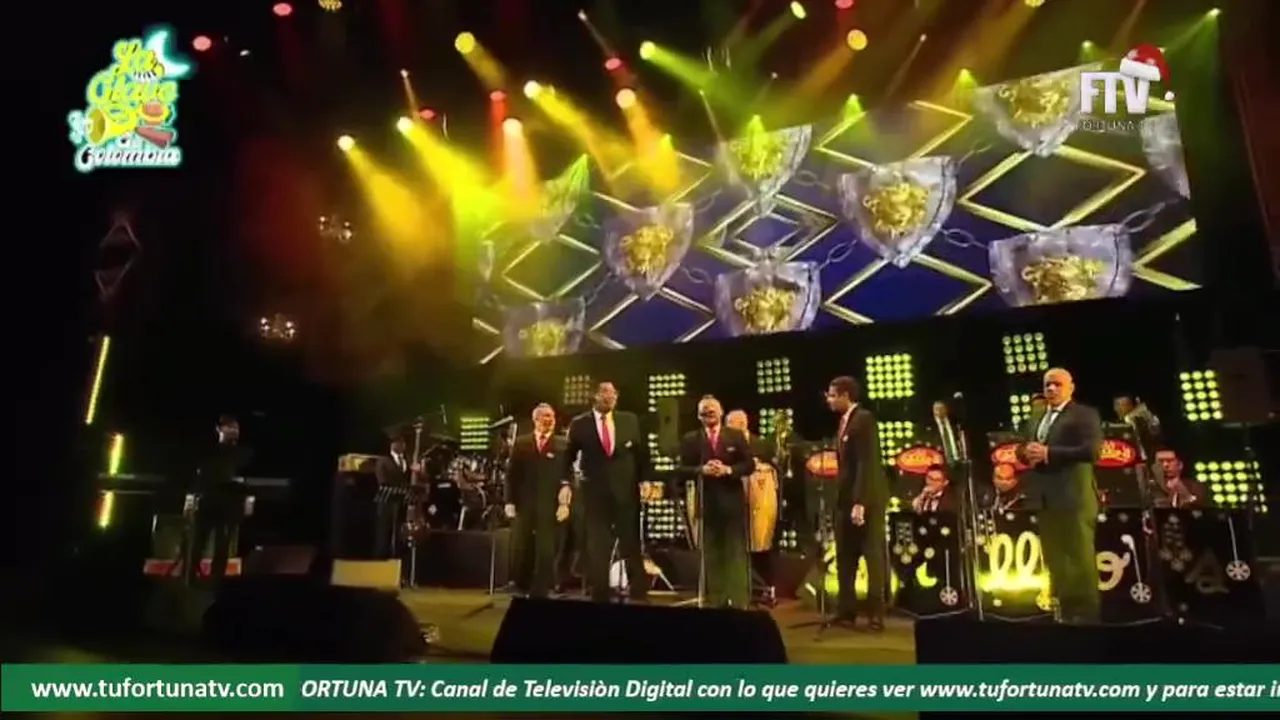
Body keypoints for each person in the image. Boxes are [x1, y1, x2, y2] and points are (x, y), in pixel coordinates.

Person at [1017, 368, 1102, 624]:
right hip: (1045, 498)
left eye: (1057, 384)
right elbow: (1024, 445)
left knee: (1079, 559)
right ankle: (1064, 613)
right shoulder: (1038, 416)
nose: (1051, 389)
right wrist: (1025, 453)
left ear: (1070, 387)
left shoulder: (1084, 414)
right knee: (1056, 559)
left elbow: (1092, 451)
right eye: (1047, 385)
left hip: (1074, 497)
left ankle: (1085, 617)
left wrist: (1050, 453)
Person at [565, 382, 647, 603]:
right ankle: (599, 591)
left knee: (630, 540)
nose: (610, 396)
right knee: (598, 544)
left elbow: (642, 454)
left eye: (613, 393)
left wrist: (646, 479)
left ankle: (639, 589)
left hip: (626, 492)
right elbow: (568, 457)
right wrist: (566, 483)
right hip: (594, 494)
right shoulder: (580, 424)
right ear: (595, 396)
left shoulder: (629, 420)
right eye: (605, 392)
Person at [825, 376, 888, 632]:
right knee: (845, 556)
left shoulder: (864, 420)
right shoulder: (844, 422)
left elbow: (866, 463)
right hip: (845, 500)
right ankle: (846, 610)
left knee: (872, 556)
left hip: (866, 500)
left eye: (832, 395)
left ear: (845, 395)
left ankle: (875, 615)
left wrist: (861, 502)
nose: (829, 400)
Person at [677, 398, 754, 608]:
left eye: (712, 410)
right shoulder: (691, 439)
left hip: (732, 503)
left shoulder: (735, 436)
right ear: (698, 416)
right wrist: (701, 470)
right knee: (711, 554)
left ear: (721, 412)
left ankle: (739, 601)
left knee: (735, 552)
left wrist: (728, 470)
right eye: (704, 411)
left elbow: (749, 464)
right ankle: (716, 600)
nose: (709, 413)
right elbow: (682, 469)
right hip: (707, 503)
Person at [505, 404, 573, 598]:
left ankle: (541, 588)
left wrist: (565, 504)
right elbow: (511, 475)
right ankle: (521, 585)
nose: (549, 419)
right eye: (544, 416)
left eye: (551, 416)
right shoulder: (521, 443)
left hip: (550, 504)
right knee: (523, 545)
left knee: (546, 548)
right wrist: (509, 501)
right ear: (535, 419)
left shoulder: (563, 445)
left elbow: (568, 477)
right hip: (524, 503)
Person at [185, 415, 253, 586]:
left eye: (236, 428)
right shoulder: (208, 451)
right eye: (230, 428)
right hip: (208, 501)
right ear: (219, 429)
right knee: (198, 542)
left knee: (222, 545)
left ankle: (216, 581)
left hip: (229, 504)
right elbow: (198, 476)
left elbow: (245, 480)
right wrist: (191, 497)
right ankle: (190, 578)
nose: (234, 432)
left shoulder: (241, 453)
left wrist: (246, 500)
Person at [373, 431, 418, 560]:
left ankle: (398, 555)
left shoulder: (408, 461)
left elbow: (409, 479)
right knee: (385, 530)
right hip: (387, 501)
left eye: (403, 442)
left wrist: (417, 472)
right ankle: (381, 556)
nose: (402, 445)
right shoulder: (383, 461)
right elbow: (382, 481)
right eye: (398, 442)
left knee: (399, 529)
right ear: (392, 445)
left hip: (401, 501)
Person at [927, 400, 966, 466]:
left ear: (946, 409)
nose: (939, 411)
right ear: (933, 411)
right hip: (941, 464)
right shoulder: (930, 427)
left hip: (960, 462)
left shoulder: (955, 423)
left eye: (942, 408)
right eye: (937, 409)